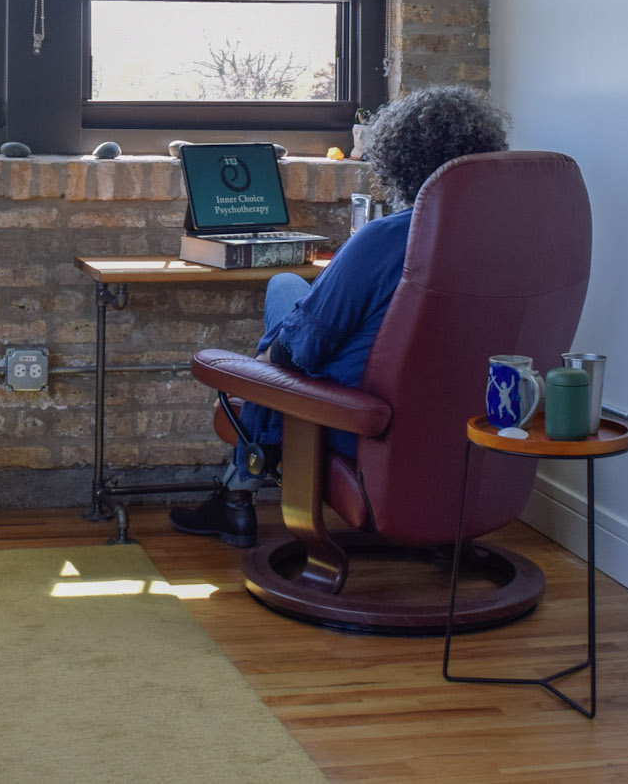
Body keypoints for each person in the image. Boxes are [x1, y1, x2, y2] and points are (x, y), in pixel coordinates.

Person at [168, 85, 511, 547]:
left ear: (399, 162)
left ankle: (239, 491)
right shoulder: (505, 239)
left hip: (363, 424)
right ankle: (238, 489)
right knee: (288, 287)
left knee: (285, 321)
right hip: (471, 423)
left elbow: (298, 353)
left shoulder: (388, 239)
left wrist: (263, 368)